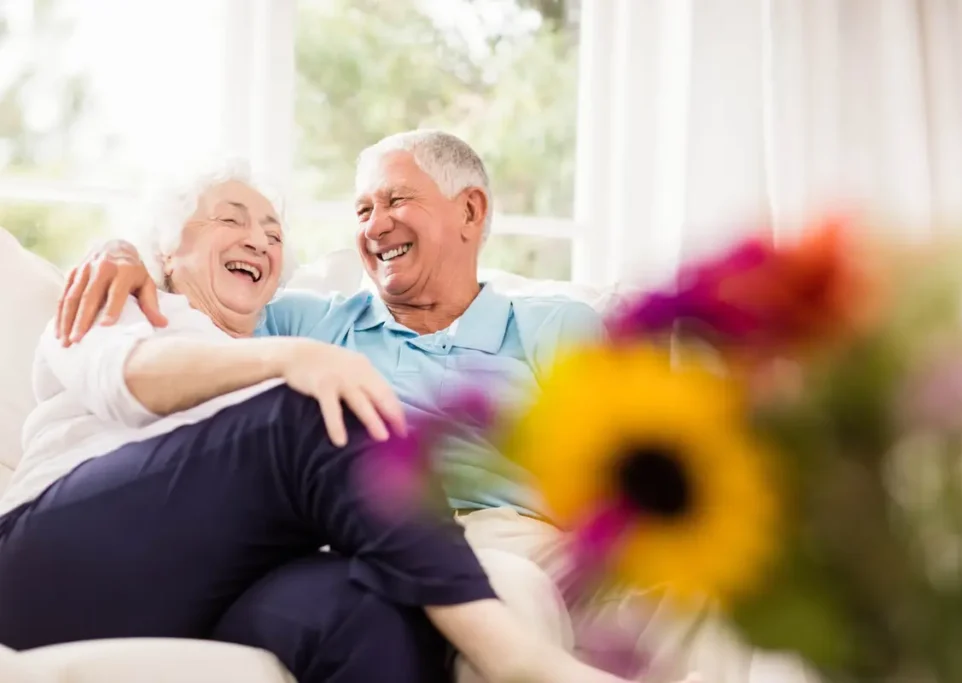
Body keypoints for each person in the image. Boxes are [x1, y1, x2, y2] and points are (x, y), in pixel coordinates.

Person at [56, 131, 715, 683]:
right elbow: (195, 302)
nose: (374, 225)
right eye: (363, 208)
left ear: (471, 211)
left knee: (711, 594)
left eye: (397, 199)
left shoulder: (555, 323)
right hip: (435, 537)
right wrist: (119, 250)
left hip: (561, 530)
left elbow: (621, 462)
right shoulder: (307, 324)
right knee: (507, 588)